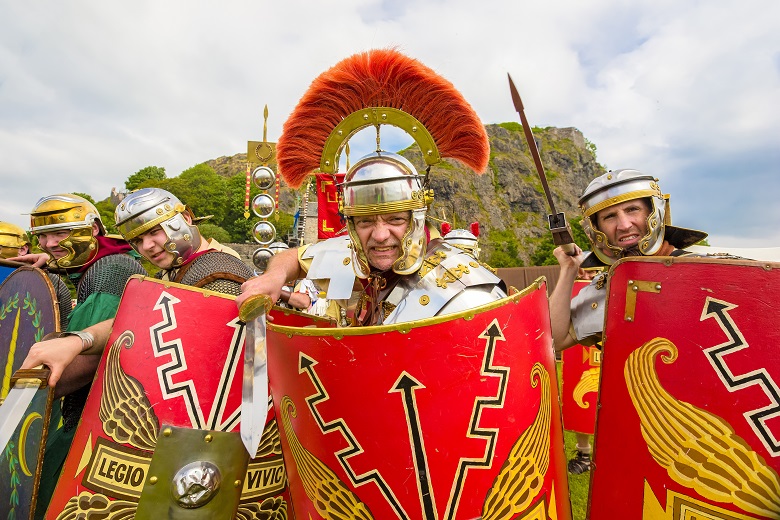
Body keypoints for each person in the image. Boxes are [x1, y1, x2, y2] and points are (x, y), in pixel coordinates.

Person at [549, 169, 707, 473]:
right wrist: (568, 270)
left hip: (716, 442)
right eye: (609, 217)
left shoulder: (709, 273)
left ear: (654, 210)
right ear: (597, 230)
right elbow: (555, 339)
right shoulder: (610, 289)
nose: (623, 224)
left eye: (632, 209)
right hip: (640, 442)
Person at [237, 152, 507, 326]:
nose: (379, 235)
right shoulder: (351, 252)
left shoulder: (464, 286)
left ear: (416, 219)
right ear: (352, 226)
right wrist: (273, 277)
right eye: (366, 221)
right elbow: (292, 257)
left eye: (395, 220)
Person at [22, 187, 253, 385]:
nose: (148, 246)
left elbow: (215, 364)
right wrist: (79, 340)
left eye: (154, 231)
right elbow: (134, 324)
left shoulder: (219, 274)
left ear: (186, 219)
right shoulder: (172, 274)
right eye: (138, 240)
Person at [10, 193, 147, 519]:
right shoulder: (97, 266)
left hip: (93, 427)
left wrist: (15, 388)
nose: (49, 243)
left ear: (94, 229)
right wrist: (44, 272)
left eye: (61, 233)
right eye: (42, 236)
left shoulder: (110, 271)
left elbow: (85, 364)